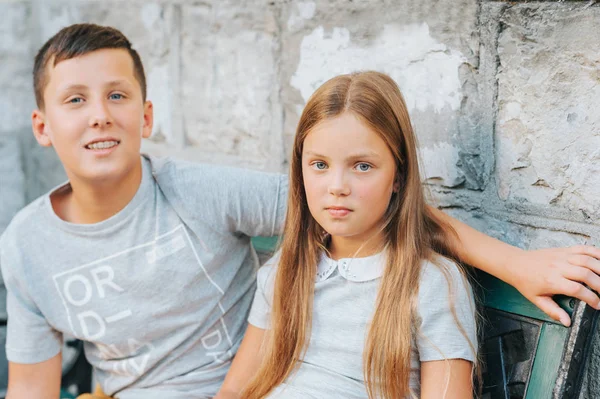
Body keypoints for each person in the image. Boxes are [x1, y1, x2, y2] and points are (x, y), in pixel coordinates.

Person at [1, 23, 600, 399]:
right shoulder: (27, 244)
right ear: (42, 126)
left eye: (117, 96)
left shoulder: (203, 193)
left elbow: (395, 214)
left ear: (147, 116)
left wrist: (512, 262)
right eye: (75, 100)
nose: (99, 115)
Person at [217, 71, 477, 399]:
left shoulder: (431, 284)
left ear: (398, 176)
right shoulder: (287, 269)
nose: (337, 187)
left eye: (362, 166)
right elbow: (234, 390)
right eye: (320, 165)